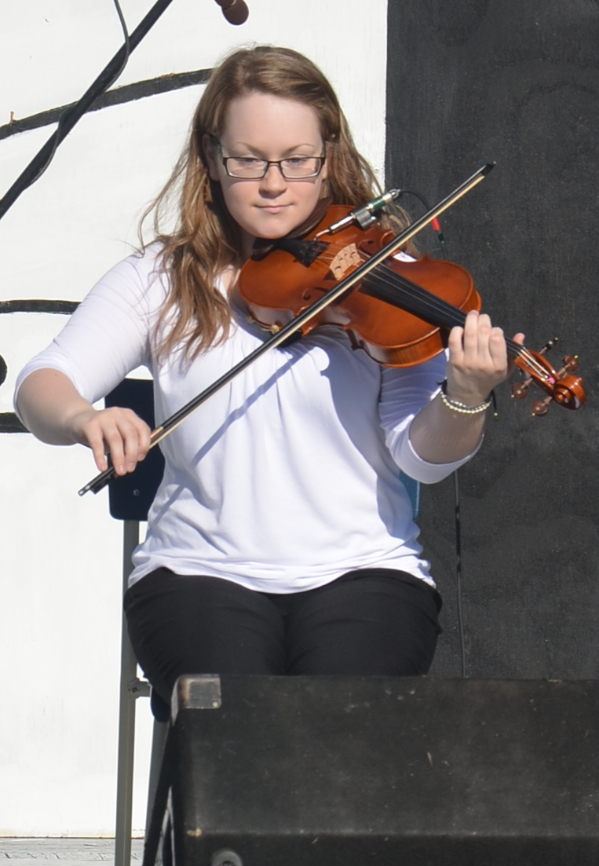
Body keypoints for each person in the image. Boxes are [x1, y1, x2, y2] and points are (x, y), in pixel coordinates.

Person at [14, 46, 520, 708]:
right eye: (248, 160)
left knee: (339, 736)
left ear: (328, 157)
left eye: (296, 160)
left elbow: (420, 458)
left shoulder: (387, 278)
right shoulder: (162, 278)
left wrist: (465, 396)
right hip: (196, 573)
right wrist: (84, 417)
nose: (273, 183)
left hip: (365, 571)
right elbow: (43, 381)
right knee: (236, 738)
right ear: (211, 158)